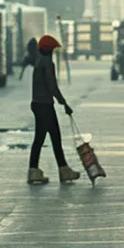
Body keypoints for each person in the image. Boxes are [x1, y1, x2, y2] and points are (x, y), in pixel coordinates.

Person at [28, 35, 80, 185]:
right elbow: (52, 86)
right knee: (52, 139)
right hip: (45, 105)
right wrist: (64, 103)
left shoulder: (38, 62)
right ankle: (62, 170)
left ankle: (36, 171)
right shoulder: (48, 63)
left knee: (47, 138)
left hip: (37, 104)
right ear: (49, 50)